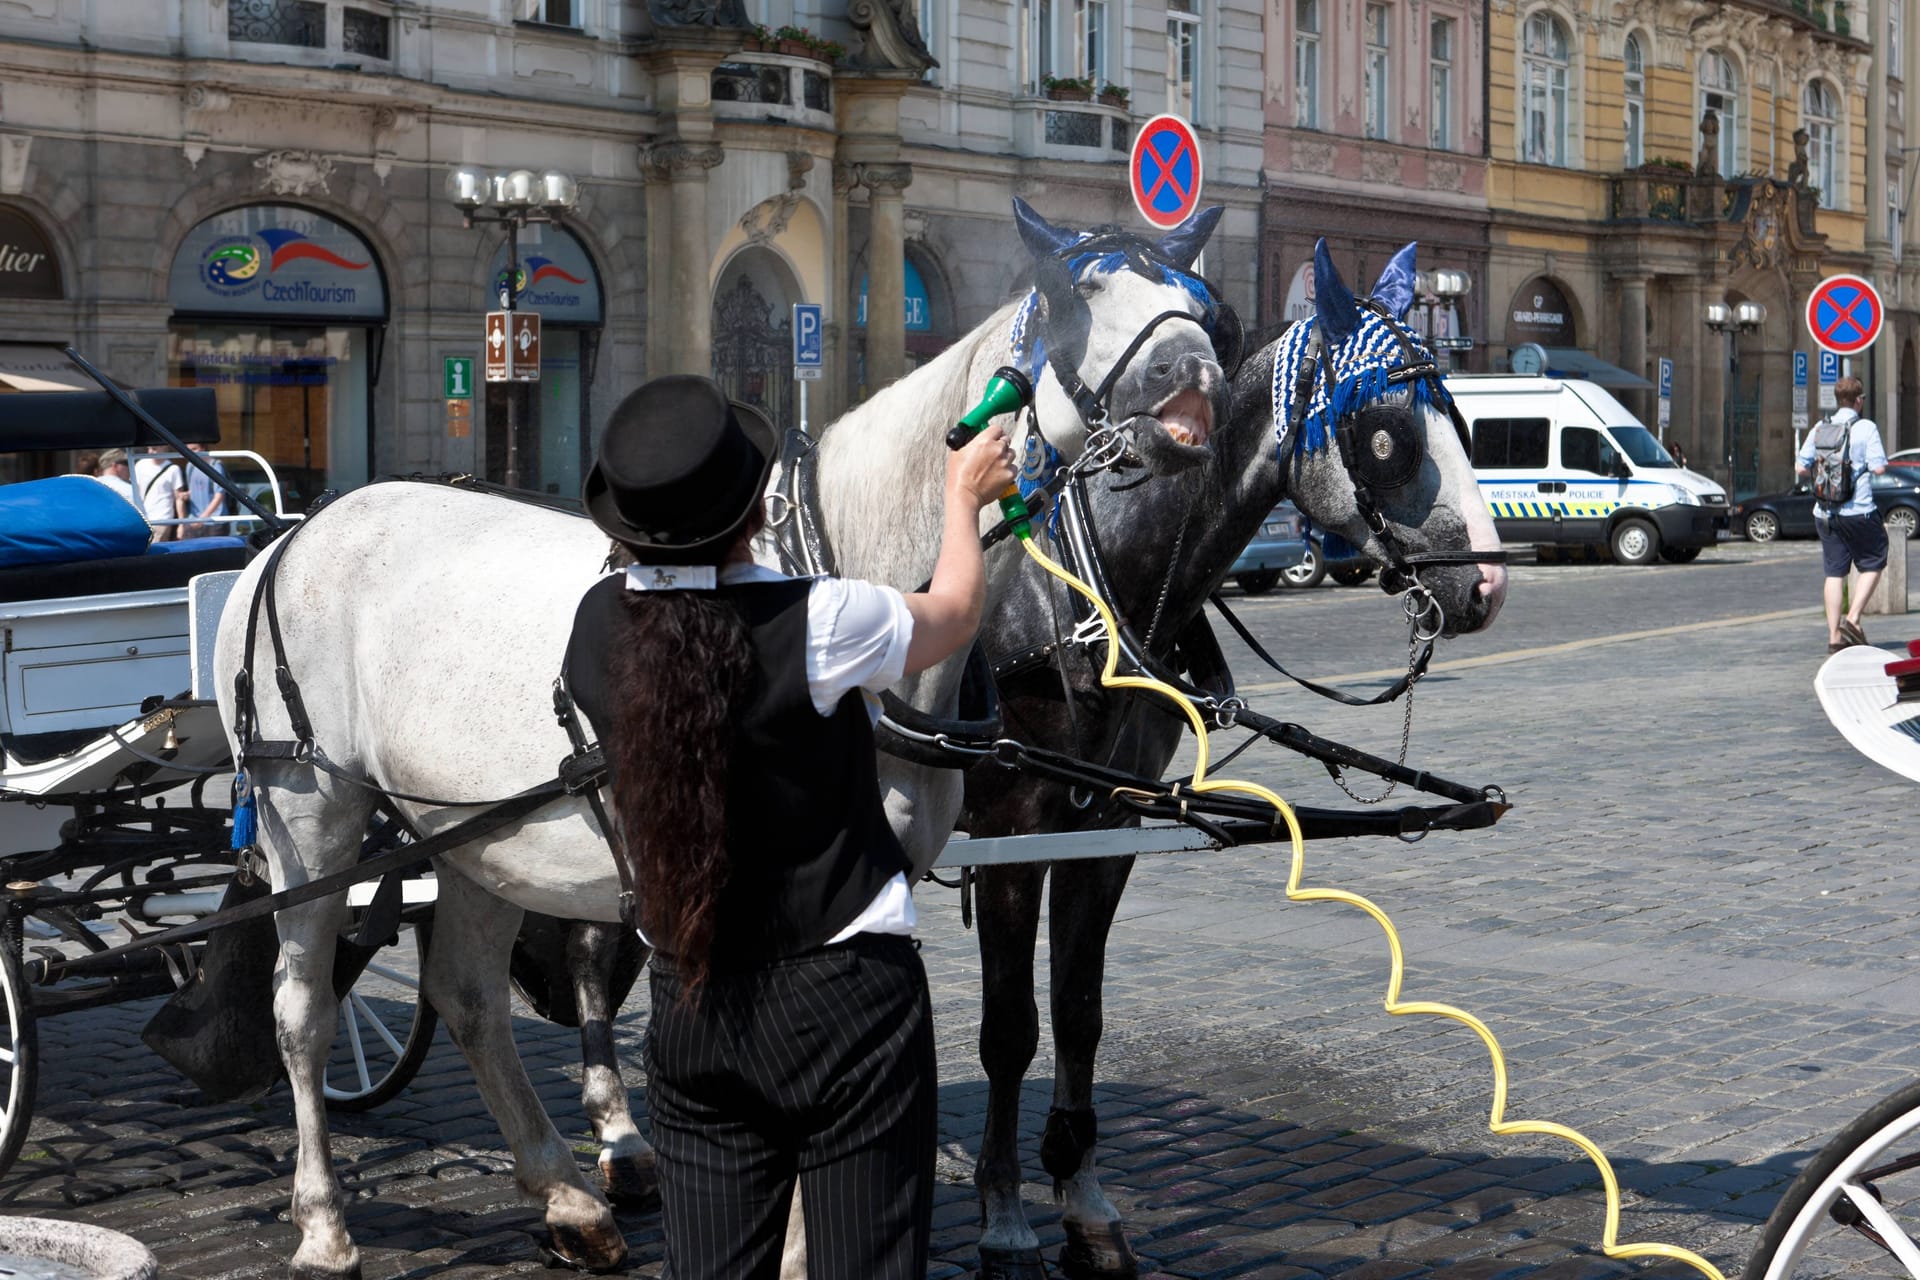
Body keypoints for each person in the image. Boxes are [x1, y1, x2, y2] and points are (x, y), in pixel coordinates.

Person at [562, 375, 1016, 1280]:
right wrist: (963, 496)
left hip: (689, 1001)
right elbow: (957, 610)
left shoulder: (595, 626)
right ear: (756, 512)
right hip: (842, 996)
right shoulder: (821, 619)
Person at [1797, 374, 1889, 653]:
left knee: (1834, 572)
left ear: (1838, 400)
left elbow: (1801, 468)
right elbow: (1879, 468)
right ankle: (1853, 618)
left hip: (1824, 510)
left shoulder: (1819, 427)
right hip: (1858, 509)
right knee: (1875, 560)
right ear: (1859, 400)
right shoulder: (1866, 427)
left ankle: (1834, 637)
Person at [132, 445, 188, 541]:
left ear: (164, 448)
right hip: (143, 518)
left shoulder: (173, 469)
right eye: (148, 448)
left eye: (154, 448)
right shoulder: (140, 465)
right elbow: (134, 492)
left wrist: (181, 524)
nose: (150, 451)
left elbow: (179, 498)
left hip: (163, 518)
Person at [184, 441, 228, 537]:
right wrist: (184, 495)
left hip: (215, 522)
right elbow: (194, 490)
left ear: (203, 448)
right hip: (194, 520)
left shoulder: (215, 466)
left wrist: (202, 518)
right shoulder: (190, 466)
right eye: (188, 450)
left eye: (194, 449)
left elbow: (219, 496)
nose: (191, 453)